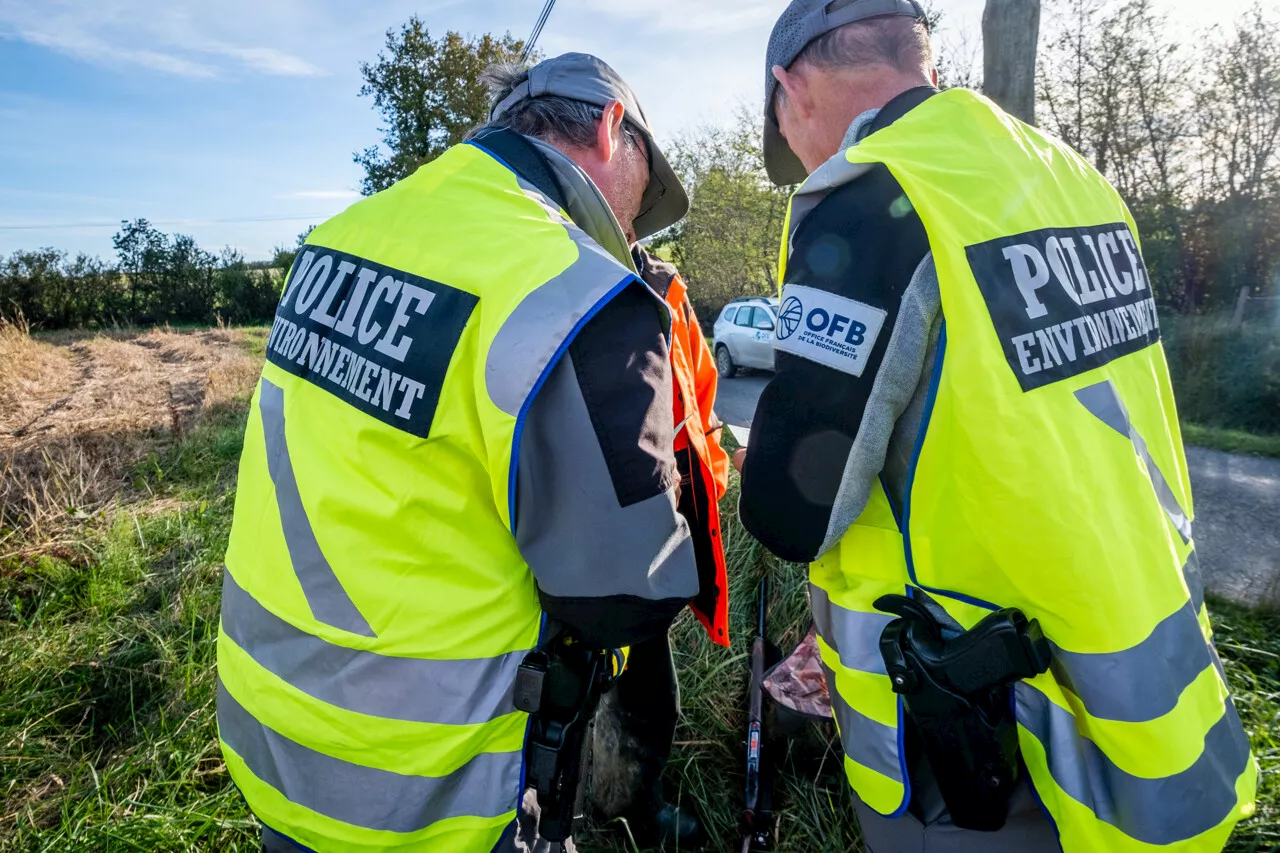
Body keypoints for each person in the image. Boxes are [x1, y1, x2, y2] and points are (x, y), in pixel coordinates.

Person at [737, 2, 1257, 852]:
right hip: (1135, 674)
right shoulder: (1069, 175)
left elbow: (794, 512)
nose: (805, 158)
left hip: (977, 723)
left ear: (789, 88)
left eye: (788, 135)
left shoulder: (875, 192)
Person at [216, 52, 703, 853]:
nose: (628, 235)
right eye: (640, 202)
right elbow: (627, 599)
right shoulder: (574, 288)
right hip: (425, 793)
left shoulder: (337, 239)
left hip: (268, 737)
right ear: (614, 129)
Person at [590, 246, 730, 848]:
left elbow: (698, 407)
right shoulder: (534, 271)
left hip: (646, 539)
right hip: (551, 535)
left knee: (649, 697)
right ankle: (555, 808)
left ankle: (631, 815)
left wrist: (710, 487)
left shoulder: (661, 288)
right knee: (550, 691)